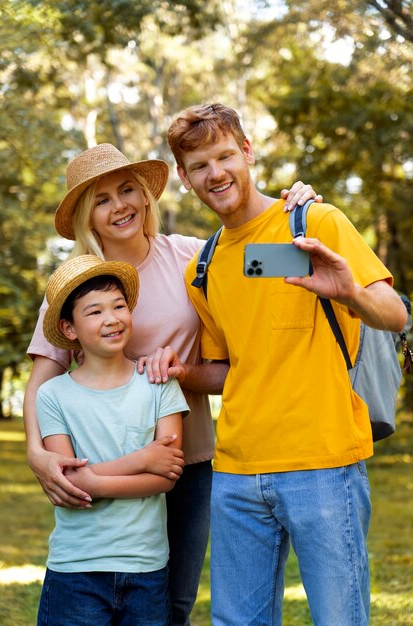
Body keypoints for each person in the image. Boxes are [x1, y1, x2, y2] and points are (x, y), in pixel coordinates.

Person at [23, 142, 320, 625]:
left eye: (127, 191)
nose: (120, 206)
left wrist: (303, 213)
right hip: (105, 462)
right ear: (87, 218)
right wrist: (37, 451)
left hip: (189, 459)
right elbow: (42, 377)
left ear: (145, 196)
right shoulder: (74, 286)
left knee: (170, 605)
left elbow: (297, 263)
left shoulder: (192, 257)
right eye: (102, 200)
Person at [142, 102, 408, 626]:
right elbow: (229, 368)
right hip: (237, 473)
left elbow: (395, 314)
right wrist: (181, 370)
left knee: (339, 618)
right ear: (184, 177)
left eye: (224, 156)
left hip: (323, 464)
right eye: (199, 166)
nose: (215, 173)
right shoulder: (207, 263)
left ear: (247, 152)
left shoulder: (314, 221)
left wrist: (350, 291)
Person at [36, 254, 190, 625]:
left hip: (146, 569)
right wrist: (140, 460)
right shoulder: (53, 395)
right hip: (76, 568)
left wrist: (95, 480)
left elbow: (166, 475)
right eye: (94, 311)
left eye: (119, 306)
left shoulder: (159, 384)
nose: (111, 318)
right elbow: (70, 483)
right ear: (69, 329)